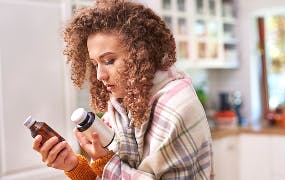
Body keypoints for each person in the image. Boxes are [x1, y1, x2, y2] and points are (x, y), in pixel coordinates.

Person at [32, 0, 214, 179]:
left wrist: (105, 161)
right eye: (95, 64)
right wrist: (73, 166)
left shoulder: (178, 107)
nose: (99, 75)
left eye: (109, 61)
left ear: (141, 53)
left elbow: (113, 170)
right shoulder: (121, 107)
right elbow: (109, 174)